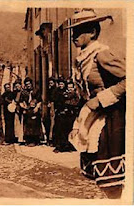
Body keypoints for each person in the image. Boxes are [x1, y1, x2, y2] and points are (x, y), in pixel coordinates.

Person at [66, 9, 125, 198]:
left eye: (79, 31)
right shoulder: (83, 58)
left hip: (112, 119)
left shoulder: (102, 54)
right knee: (102, 179)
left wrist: (101, 99)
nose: (74, 36)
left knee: (113, 181)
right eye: (73, 32)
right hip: (94, 119)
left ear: (92, 32)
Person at [21, 77, 42, 147]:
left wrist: (37, 107)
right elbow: (22, 101)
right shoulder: (24, 92)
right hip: (28, 110)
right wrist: (24, 107)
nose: (28, 85)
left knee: (35, 125)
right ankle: (28, 140)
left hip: (35, 109)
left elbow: (39, 101)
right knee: (28, 125)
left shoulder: (36, 91)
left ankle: (36, 140)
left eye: (29, 84)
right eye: (27, 84)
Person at [44, 77, 57, 146]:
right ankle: (49, 139)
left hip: (53, 107)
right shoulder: (49, 90)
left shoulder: (55, 90)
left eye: (52, 83)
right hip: (50, 107)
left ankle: (52, 139)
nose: (50, 84)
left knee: (53, 123)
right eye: (49, 83)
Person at [12, 79, 24, 144]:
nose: (17, 87)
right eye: (16, 86)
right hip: (17, 109)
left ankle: (22, 138)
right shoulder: (14, 93)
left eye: (18, 86)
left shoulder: (23, 92)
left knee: (22, 123)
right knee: (17, 123)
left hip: (22, 109)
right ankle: (17, 137)